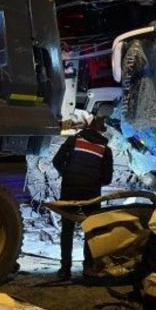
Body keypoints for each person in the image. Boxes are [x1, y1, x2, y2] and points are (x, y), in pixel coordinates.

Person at [52, 115, 113, 280]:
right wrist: (94, 182)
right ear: (101, 131)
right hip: (91, 194)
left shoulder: (74, 141)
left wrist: (67, 175)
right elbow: (108, 179)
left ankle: (65, 269)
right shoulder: (105, 150)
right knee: (90, 230)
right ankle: (88, 268)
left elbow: (56, 161)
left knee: (67, 229)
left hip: (69, 190)